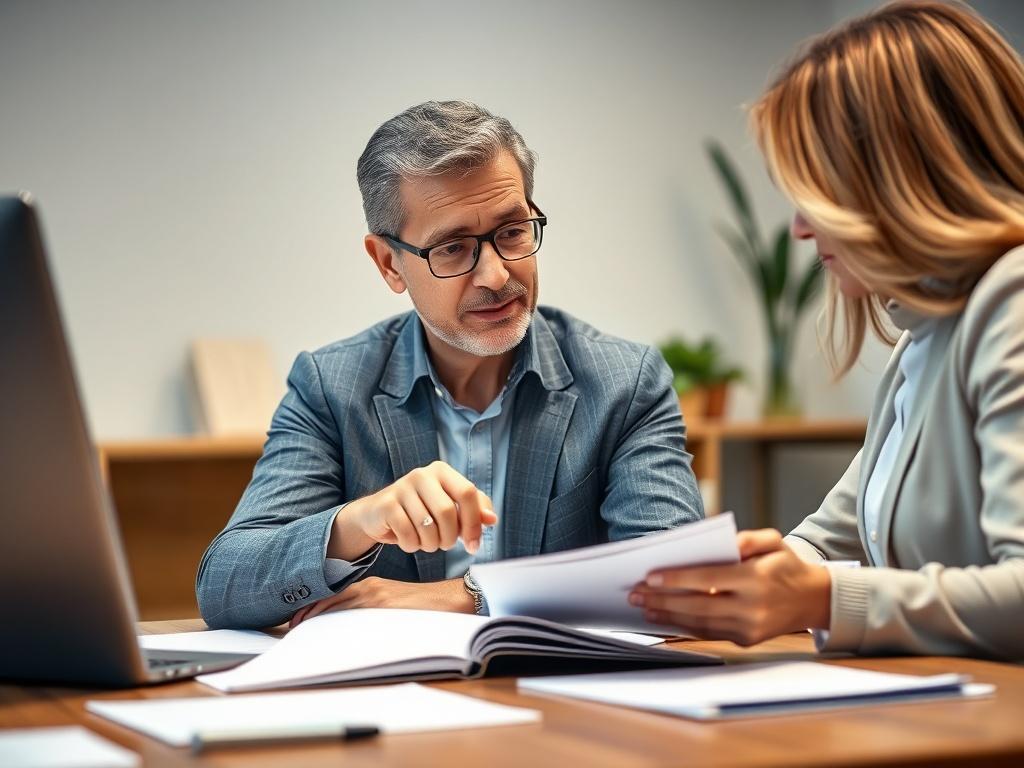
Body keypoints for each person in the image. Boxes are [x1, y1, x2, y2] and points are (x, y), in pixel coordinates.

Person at [197, 100, 703, 630]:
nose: (495, 274)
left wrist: (469, 596)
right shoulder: (331, 387)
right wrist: (361, 520)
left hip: (561, 700)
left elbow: (677, 578)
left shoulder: (624, 381)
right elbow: (226, 584)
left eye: (512, 232)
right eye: (454, 248)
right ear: (389, 263)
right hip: (396, 702)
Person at [631, 0, 1024, 659]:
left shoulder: (1011, 301)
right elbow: (828, 540)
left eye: (818, 195)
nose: (800, 230)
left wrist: (820, 600)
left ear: (901, 179)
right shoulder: (923, 338)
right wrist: (750, 576)